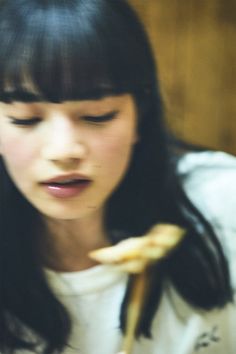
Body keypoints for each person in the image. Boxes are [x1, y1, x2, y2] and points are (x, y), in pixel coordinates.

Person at [0, 0, 235, 353]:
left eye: (97, 115)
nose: (64, 150)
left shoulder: (223, 202)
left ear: (139, 115)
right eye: (25, 119)